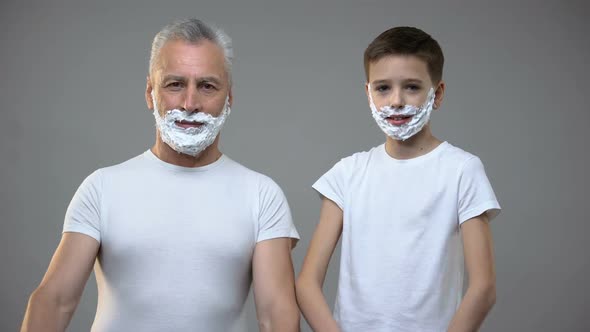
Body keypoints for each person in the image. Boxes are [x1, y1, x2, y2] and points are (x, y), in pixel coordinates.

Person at [21, 18, 300, 332]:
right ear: (150, 93)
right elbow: (54, 300)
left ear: (229, 98)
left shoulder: (261, 195)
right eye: (175, 84)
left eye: (207, 86)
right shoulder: (102, 188)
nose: (190, 103)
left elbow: (277, 314)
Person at [296, 26, 501, 332]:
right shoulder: (347, 174)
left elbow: (483, 288)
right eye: (383, 88)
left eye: (412, 87)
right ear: (368, 94)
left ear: (438, 94)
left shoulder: (462, 171)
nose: (396, 101)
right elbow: (307, 284)